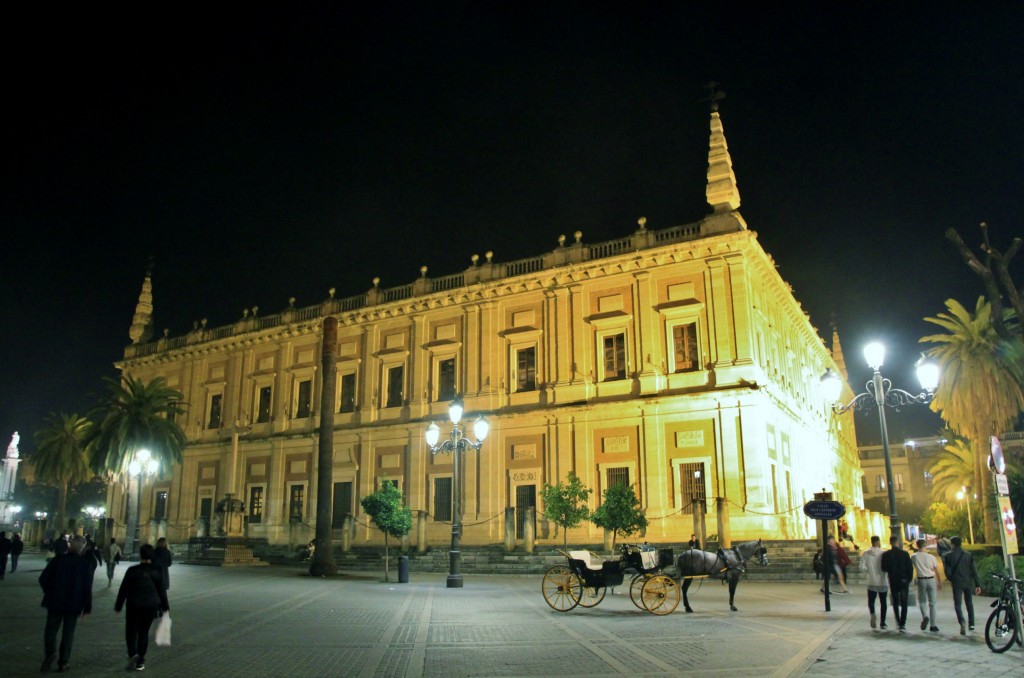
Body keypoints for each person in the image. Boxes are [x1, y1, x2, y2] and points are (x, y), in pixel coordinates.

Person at [38, 535, 95, 673]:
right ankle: (63, 662)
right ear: (82, 548)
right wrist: (87, 607)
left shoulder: (58, 560)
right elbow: (87, 587)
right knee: (68, 633)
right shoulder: (85, 564)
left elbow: (43, 578)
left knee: (50, 630)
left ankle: (50, 653)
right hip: (74, 603)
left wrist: (49, 591)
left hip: (55, 601)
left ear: (70, 545)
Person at [115, 543, 170, 672]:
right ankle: (140, 661)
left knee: (131, 631)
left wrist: (118, 606)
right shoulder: (156, 570)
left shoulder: (132, 570)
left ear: (140, 555)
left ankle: (132, 654)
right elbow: (162, 591)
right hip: (150, 605)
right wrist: (165, 607)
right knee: (143, 632)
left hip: (133, 604)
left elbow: (123, 589)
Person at [942, 535, 982, 635]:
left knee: (957, 604)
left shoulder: (948, 556)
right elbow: (974, 570)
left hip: (957, 583)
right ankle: (971, 624)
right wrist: (978, 584)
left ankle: (962, 622)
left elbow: (947, 571)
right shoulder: (968, 555)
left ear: (952, 544)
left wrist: (952, 579)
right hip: (968, 582)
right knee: (969, 603)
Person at [881, 535, 913, 633]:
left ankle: (898, 621)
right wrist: (909, 579)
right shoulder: (904, 554)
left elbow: (884, 568)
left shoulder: (886, 554)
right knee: (904, 602)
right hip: (903, 580)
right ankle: (903, 623)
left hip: (893, 580)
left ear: (890, 543)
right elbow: (910, 568)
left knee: (895, 601)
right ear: (898, 542)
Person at [911, 537, 941, 632]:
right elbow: (936, 570)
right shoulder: (931, 557)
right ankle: (933, 625)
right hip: (931, 580)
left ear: (917, 546)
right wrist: (939, 582)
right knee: (933, 603)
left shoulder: (914, 556)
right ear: (925, 546)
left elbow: (911, 567)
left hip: (921, 580)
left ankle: (925, 616)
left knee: (922, 601)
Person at [860, 535, 888, 629]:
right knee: (883, 602)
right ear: (878, 542)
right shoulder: (884, 553)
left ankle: (872, 613)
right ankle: (883, 622)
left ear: (871, 542)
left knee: (871, 601)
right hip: (883, 581)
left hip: (871, 581)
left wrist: (868, 570)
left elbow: (861, 567)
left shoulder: (866, 553)